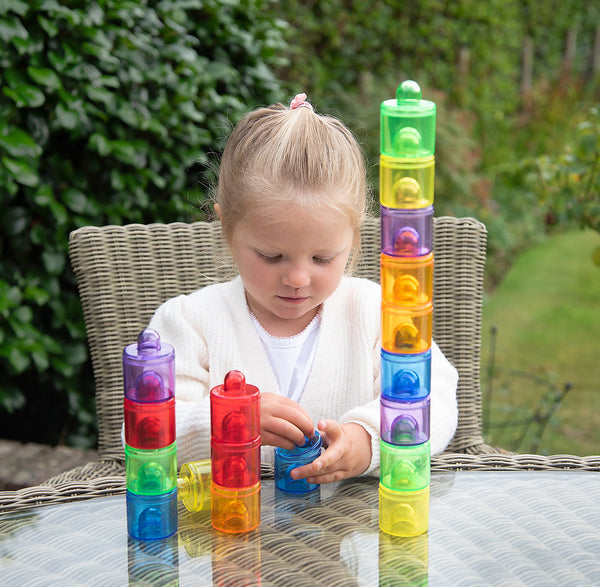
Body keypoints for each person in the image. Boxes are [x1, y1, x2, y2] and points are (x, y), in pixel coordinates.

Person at [148, 93, 458, 484]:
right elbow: (150, 429)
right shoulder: (189, 323)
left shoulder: (378, 313)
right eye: (272, 256)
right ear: (227, 229)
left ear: (353, 236)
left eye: (323, 258)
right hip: (226, 535)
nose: (297, 278)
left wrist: (367, 442)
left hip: (352, 534)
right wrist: (229, 420)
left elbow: (437, 400)